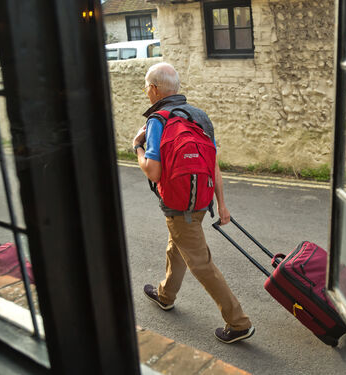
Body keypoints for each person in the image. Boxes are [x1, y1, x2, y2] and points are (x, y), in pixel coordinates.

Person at [133, 62, 254, 344]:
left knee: (200, 263)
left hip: (178, 206)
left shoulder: (157, 121)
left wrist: (137, 147)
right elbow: (213, 164)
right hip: (201, 202)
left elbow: (152, 170)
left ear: (153, 90)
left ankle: (238, 323)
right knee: (178, 245)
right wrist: (221, 205)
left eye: (146, 88)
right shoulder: (199, 116)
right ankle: (165, 296)